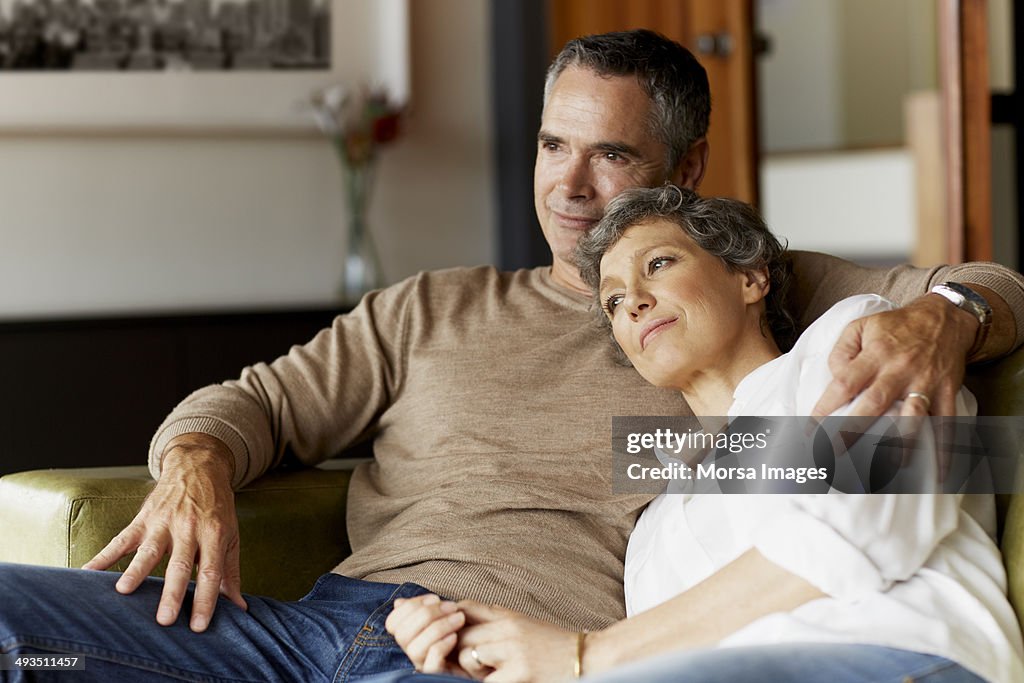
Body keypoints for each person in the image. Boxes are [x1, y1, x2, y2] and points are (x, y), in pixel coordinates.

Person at [1, 29, 1023, 682]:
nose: (571, 188)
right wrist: (195, 464)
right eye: (550, 146)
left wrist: (948, 314)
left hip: (482, 652)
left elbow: (951, 382)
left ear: (698, 188)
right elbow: (253, 400)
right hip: (301, 631)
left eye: (612, 155)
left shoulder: (769, 308)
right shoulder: (433, 309)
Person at [379, 186, 1023, 683]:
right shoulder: (657, 521)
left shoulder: (848, 340)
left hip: (901, 654)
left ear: (750, 278)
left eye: (658, 264)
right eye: (611, 300)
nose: (631, 301)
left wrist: (586, 654)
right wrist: (467, 639)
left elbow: (867, 526)